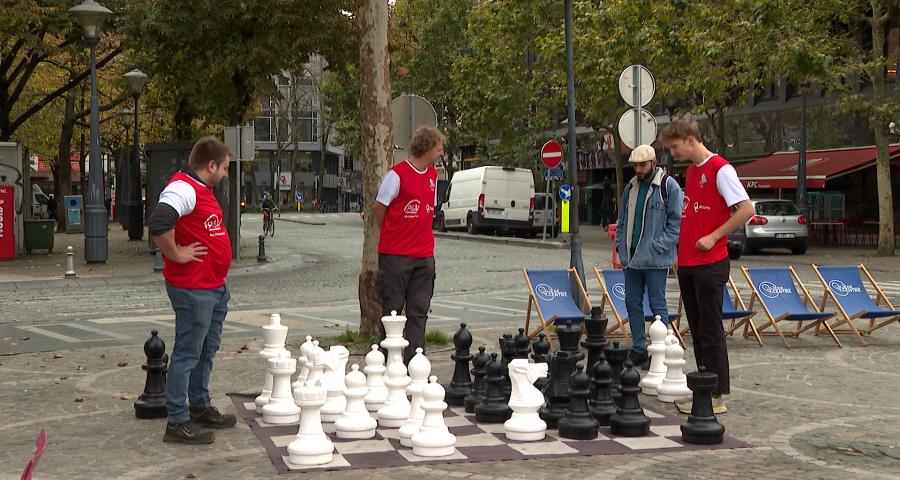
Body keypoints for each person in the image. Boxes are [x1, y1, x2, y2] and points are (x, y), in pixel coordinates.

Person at [661, 118, 754, 415]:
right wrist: (679, 253)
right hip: (689, 262)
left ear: (690, 139)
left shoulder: (721, 169)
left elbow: (747, 209)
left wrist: (715, 235)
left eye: (675, 147)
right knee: (698, 330)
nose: (673, 153)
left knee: (711, 329)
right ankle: (702, 389)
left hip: (710, 262)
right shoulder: (691, 171)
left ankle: (716, 394)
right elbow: (691, 214)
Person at [148, 136, 235, 444]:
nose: (226, 174)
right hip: (193, 288)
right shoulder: (183, 187)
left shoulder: (202, 189)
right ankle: (177, 421)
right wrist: (176, 254)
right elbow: (159, 221)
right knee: (187, 355)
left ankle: (199, 406)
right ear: (210, 165)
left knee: (205, 352)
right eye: (224, 168)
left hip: (213, 287)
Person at [373, 126, 443, 364]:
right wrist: (392, 232)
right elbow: (379, 207)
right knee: (392, 310)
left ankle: (415, 360)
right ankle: (386, 361)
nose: (441, 152)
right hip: (396, 255)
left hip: (424, 256)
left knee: (419, 309)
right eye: (439, 148)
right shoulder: (397, 175)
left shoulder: (433, 176)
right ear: (427, 148)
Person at [615, 144, 683, 368]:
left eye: (642, 165)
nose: (638, 169)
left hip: (655, 258)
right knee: (632, 302)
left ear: (654, 162)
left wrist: (659, 246)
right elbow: (622, 219)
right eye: (634, 165)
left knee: (657, 304)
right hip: (631, 257)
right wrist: (621, 246)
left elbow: (676, 223)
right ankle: (638, 349)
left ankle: (659, 352)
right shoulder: (631, 187)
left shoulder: (669, 186)